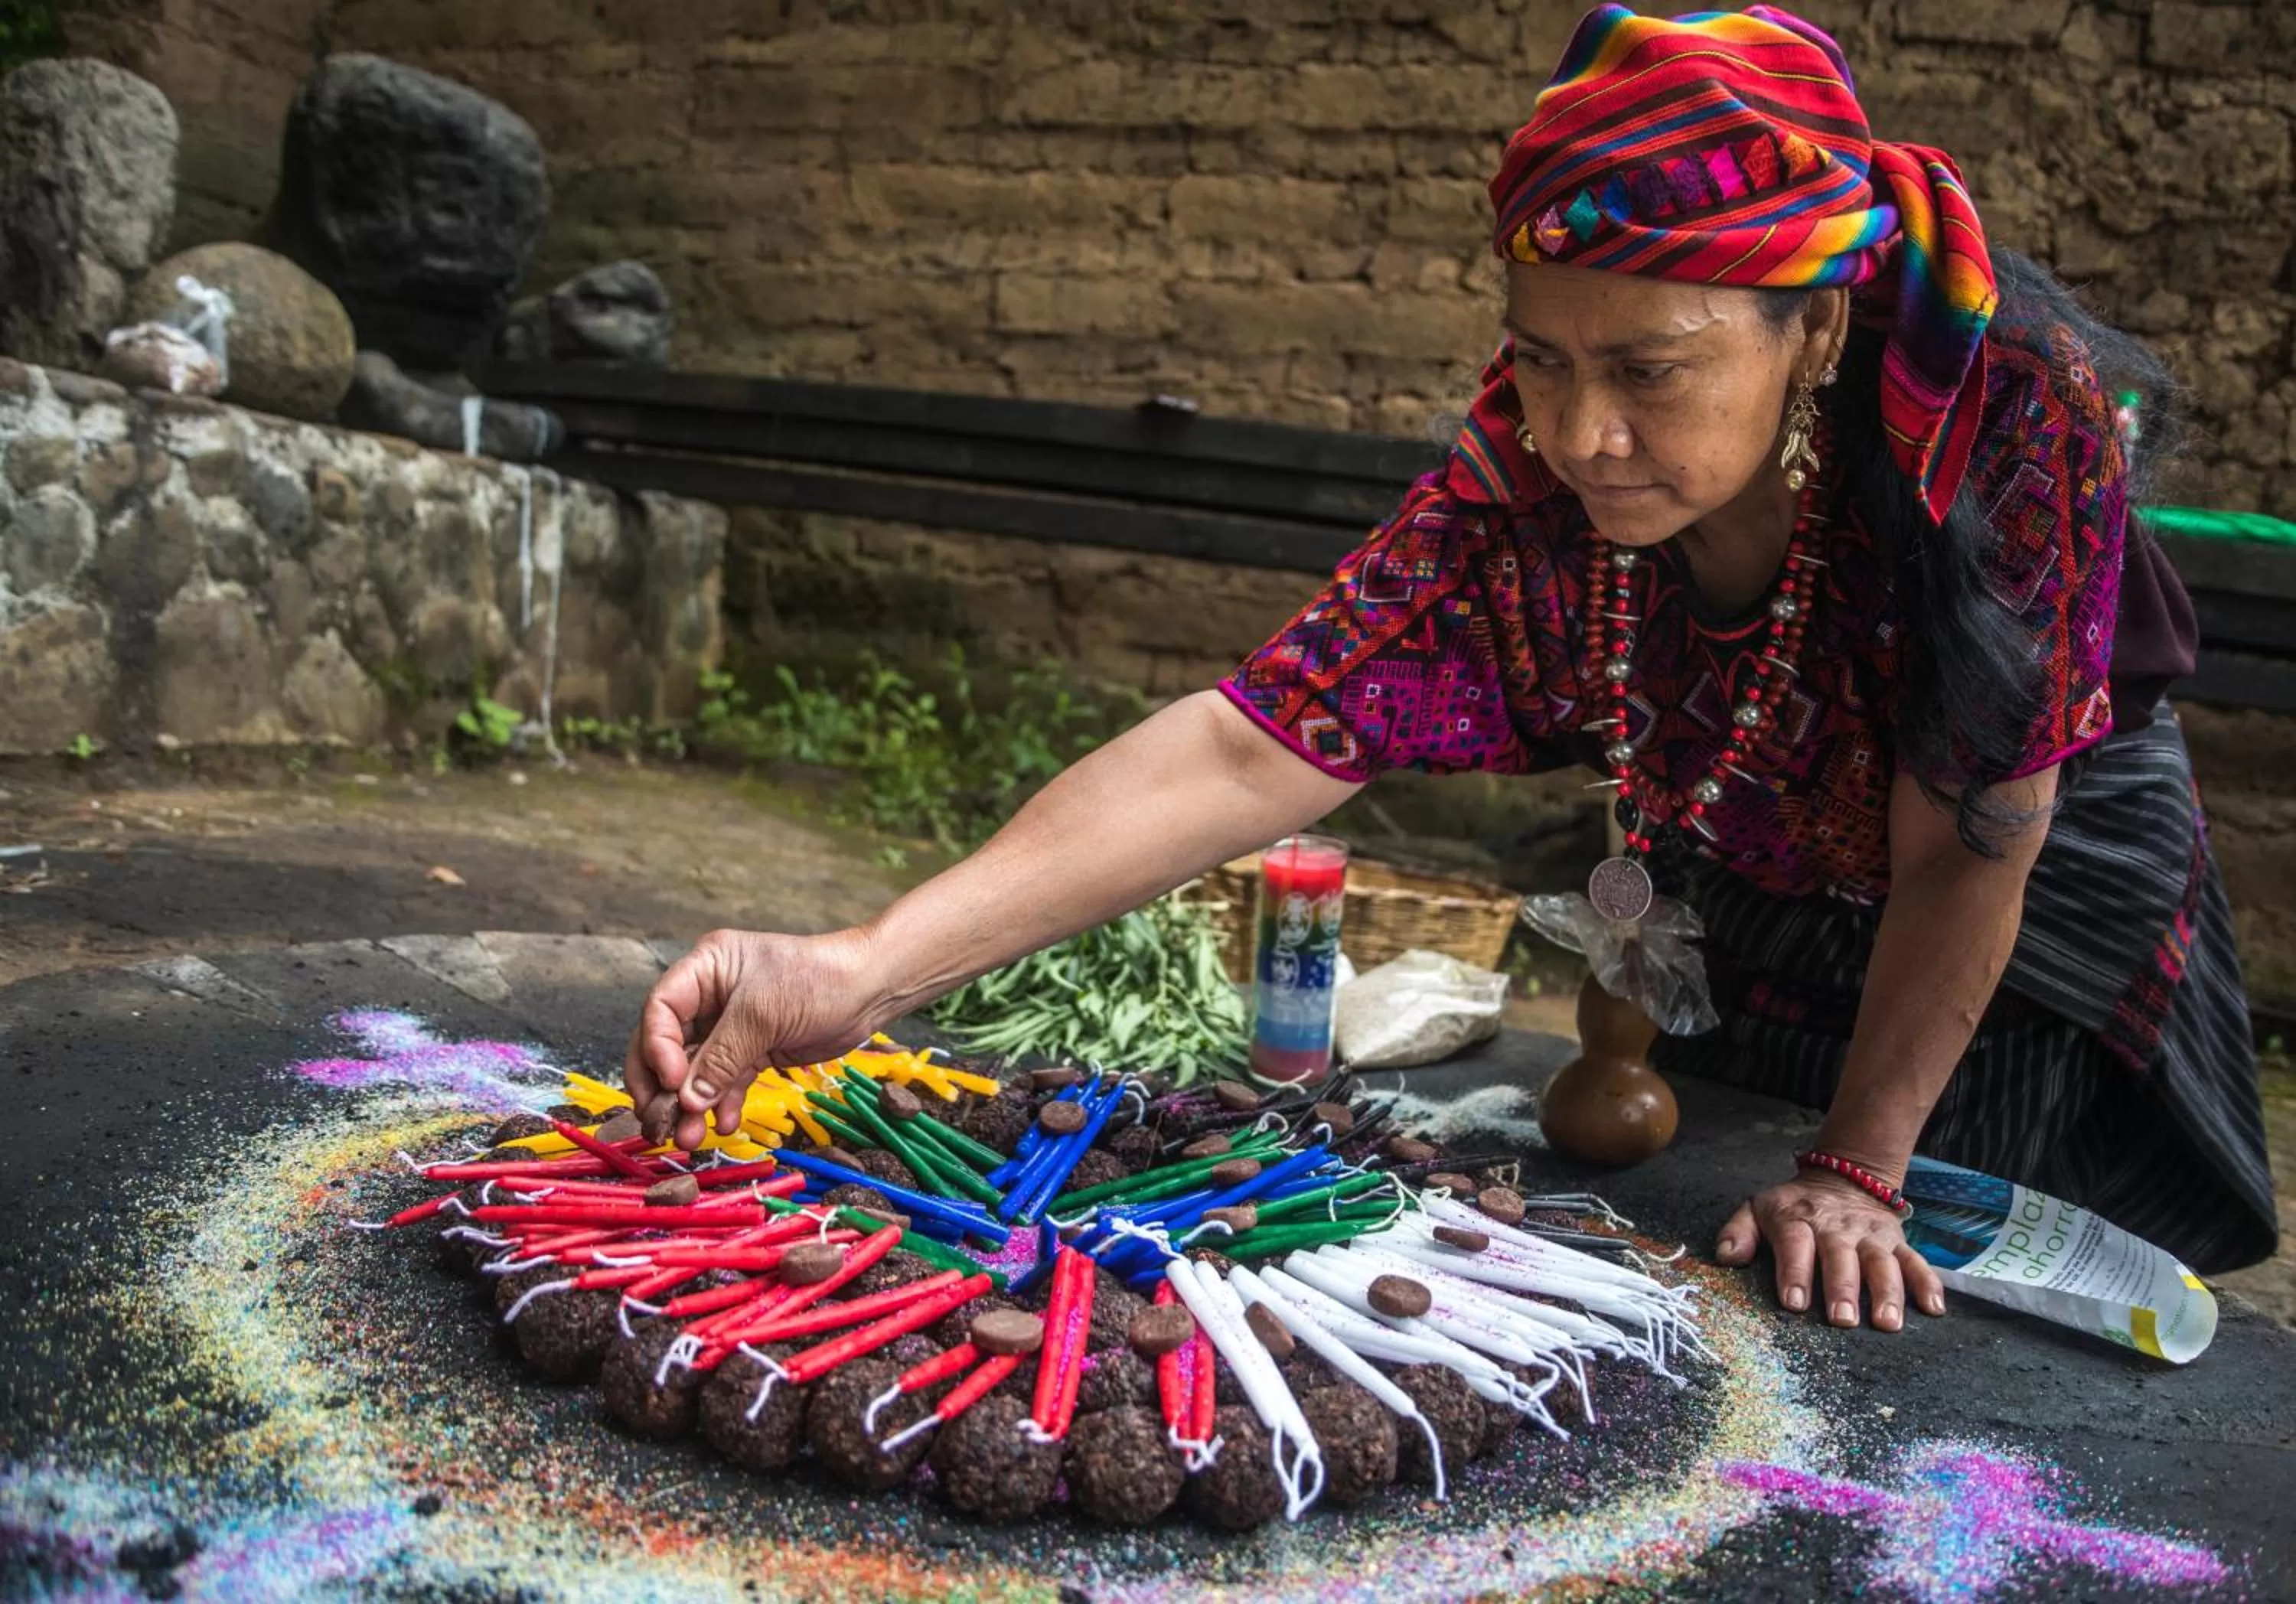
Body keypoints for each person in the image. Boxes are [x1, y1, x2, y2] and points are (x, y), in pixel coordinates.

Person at [623, 4, 2277, 1330]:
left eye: (1649, 368)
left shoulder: (2006, 428)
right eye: (1541, 359)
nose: (1579, 436)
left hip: (2018, 913)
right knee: (1732, 1248)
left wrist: (1862, 1158)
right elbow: (1248, 746)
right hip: (1757, 869)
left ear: (1819, 327)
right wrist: (857, 968)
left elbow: (1974, 836)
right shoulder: (1520, 500)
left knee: (1934, 1313)